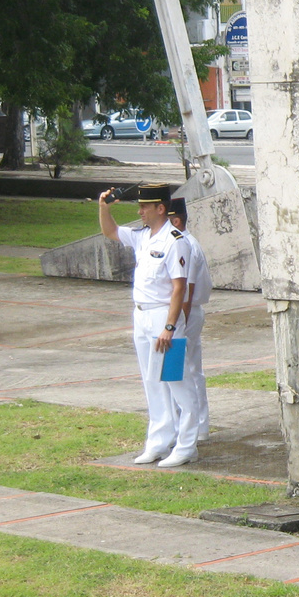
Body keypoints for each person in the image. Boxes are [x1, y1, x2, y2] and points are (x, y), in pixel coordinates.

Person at [97, 182, 199, 467]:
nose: (140, 212)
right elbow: (111, 232)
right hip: (141, 314)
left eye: (145, 207)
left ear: (160, 208)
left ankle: (187, 445)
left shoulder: (175, 239)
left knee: (177, 381)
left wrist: (169, 327)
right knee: (152, 381)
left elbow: (179, 288)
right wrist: (103, 207)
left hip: (163, 315)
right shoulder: (144, 237)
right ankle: (158, 441)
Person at [166, 197, 213, 443]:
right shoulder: (186, 242)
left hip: (186, 312)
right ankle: (198, 426)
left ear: (175, 220)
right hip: (189, 312)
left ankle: (190, 427)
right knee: (192, 370)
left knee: (182, 371)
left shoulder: (185, 245)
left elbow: (187, 291)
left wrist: (177, 325)